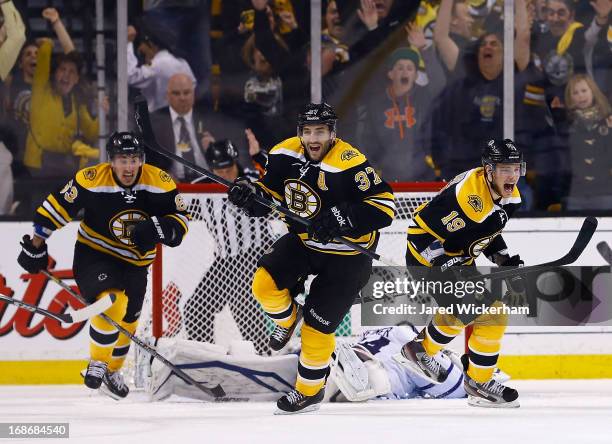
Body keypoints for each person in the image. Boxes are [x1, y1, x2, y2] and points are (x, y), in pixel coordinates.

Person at [228, 102, 396, 414]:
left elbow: (385, 207)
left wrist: (340, 219)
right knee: (264, 284)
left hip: (347, 256)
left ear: (333, 133)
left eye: (320, 130)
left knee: (317, 328)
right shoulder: (284, 153)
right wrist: (249, 195)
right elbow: (271, 194)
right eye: (307, 131)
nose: (313, 137)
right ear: (300, 133)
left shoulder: (350, 161)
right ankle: (287, 318)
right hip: (305, 242)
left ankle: (308, 391)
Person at [16, 132, 190, 399]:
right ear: (111, 161)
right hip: (95, 254)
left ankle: (112, 370)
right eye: (123, 160)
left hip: (136, 263)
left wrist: (159, 228)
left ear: (141, 159)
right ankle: (97, 362)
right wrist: (36, 244)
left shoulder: (160, 182)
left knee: (130, 320)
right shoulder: (91, 180)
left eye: (134, 159)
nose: (129, 167)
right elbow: (58, 208)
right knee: (112, 301)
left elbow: (180, 221)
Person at [396, 138, 525, 408]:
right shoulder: (470, 200)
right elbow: (423, 230)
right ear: (489, 170)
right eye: (504, 169)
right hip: (427, 257)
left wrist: (502, 258)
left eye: (515, 169)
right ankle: (477, 382)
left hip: (457, 258)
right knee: (490, 314)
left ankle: (422, 350)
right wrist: (439, 261)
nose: (512, 175)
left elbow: (487, 233)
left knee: (475, 314)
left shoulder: (507, 195)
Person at [182, 139, 273, 354]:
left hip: (257, 253)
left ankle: (263, 357)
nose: (224, 175)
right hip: (224, 261)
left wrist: (261, 156)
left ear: (236, 163)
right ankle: (206, 359)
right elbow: (177, 207)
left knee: (242, 302)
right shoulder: (200, 189)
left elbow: (279, 177)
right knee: (196, 308)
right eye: (218, 170)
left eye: (228, 169)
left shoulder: (253, 180)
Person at [149, 72, 250, 181]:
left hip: (208, 182)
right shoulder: (154, 122)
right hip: (169, 183)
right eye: (176, 93)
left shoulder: (211, 119)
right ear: (167, 96)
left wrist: (214, 150)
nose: (182, 98)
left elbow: (233, 159)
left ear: (193, 94)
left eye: (186, 92)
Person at [127, 21, 195, 112]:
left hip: (160, 117)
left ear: (151, 44)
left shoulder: (157, 65)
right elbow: (193, 87)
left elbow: (131, 77)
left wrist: (128, 43)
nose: (144, 58)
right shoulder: (183, 63)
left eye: (144, 53)